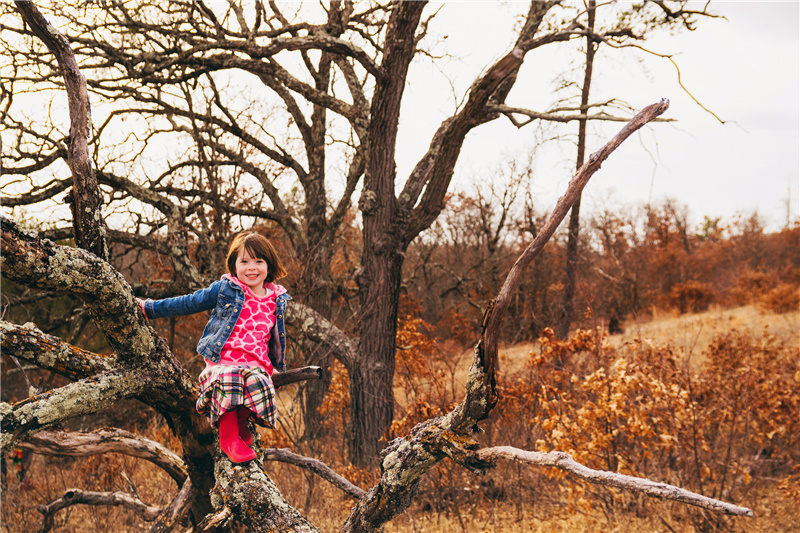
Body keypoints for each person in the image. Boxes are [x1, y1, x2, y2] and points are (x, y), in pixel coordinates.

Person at [138, 232, 290, 463]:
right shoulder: (226, 289)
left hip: (256, 362)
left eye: (259, 261)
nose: (252, 268)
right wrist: (150, 309)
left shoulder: (275, 299)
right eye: (244, 261)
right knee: (230, 379)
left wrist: (276, 366)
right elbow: (189, 302)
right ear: (234, 265)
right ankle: (228, 438)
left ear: (269, 266)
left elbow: (272, 337)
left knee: (261, 382)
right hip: (224, 360)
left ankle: (239, 420)